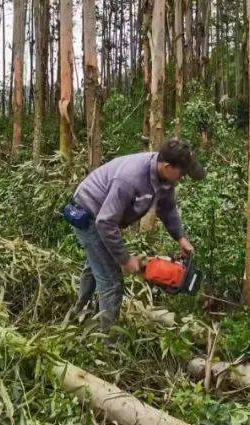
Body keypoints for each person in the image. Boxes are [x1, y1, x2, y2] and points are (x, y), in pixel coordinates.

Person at [64, 139, 204, 331]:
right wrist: (125, 259)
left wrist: (181, 237)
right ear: (167, 166)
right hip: (88, 214)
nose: (182, 177)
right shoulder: (131, 178)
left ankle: (78, 313)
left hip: (104, 217)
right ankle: (106, 341)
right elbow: (105, 222)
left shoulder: (165, 180)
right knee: (111, 282)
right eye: (181, 172)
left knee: (97, 267)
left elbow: (168, 209)